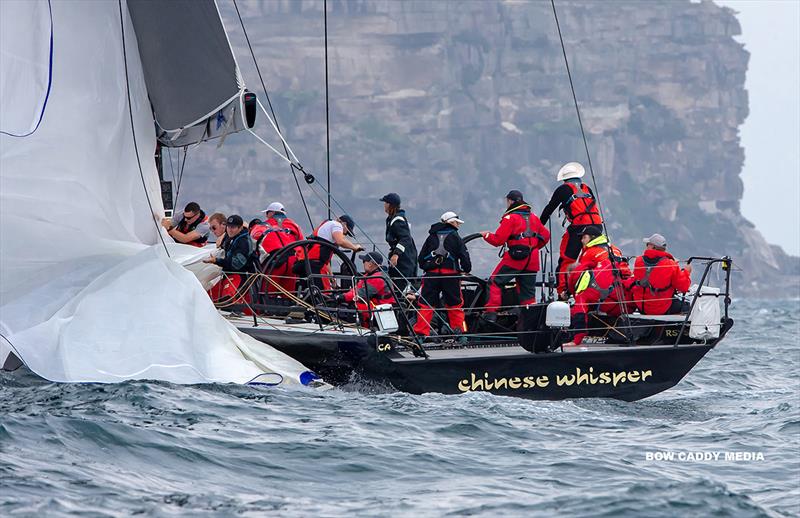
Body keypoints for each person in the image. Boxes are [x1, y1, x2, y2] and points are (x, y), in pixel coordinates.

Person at [480, 190, 550, 322]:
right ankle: (530, 320)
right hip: (533, 259)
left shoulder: (510, 218)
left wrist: (486, 235)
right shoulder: (534, 217)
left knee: (495, 282)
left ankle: (491, 315)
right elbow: (546, 236)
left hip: (515, 258)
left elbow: (498, 240)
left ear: (510, 201)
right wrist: (534, 248)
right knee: (528, 292)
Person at [539, 162, 603, 297]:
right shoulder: (587, 189)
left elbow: (549, 209)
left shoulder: (563, 189)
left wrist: (539, 226)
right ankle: (592, 291)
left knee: (566, 260)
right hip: (597, 227)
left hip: (579, 228)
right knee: (590, 259)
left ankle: (563, 293)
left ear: (565, 179)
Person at [563, 227, 632, 346]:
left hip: (604, 297)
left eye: (584, 237)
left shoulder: (590, 252)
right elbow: (625, 272)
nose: (582, 241)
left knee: (580, 300)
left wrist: (569, 292)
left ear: (592, 238)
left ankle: (576, 338)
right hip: (621, 296)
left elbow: (577, 274)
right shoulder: (614, 249)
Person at [413, 211, 472, 342]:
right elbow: (464, 256)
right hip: (450, 276)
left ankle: (421, 335)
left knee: (426, 305)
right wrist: (466, 269)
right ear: (451, 222)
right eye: (457, 222)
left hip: (431, 276)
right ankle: (460, 334)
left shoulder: (431, 237)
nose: (458, 225)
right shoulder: (455, 237)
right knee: (455, 304)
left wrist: (428, 266)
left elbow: (421, 259)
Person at [294, 214, 362, 292]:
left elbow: (326, 262)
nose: (345, 234)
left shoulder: (327, 232)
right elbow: (340, 241)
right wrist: (354, 247)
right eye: (346, 232)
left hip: (306, 264)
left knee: (309, 293)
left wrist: (331, 278)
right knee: (325, 293)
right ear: (344, 224)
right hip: (315, 265)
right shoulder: (336, 225)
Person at [630, 233, 692, 315]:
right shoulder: (670, 264)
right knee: (688, 306)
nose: (646, 246)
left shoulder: (639, 261)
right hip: (660, 308)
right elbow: (684, 287)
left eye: (648, 244)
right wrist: (686, 272)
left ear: (653, 247)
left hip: (641, 306)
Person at [255, 202, 305, 294]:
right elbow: (302, 244)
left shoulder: (262, 226)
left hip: (274, 262)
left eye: (267, 213)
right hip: (292, 263)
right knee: (289, 296)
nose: (266, 216)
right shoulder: (295, 225)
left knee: (267, 294)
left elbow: (253, 240)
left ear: (272, 213)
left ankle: (266, 308)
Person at [204, 215, 254, 303]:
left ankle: (236, 310)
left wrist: (216, 261)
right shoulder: (231, 236)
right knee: (205, 296)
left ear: (240, 228)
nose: (230, 229)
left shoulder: (244, 242)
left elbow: (235, 265)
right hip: (228, 275)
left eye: (233, 227)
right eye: (228, 226)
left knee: (227, 299)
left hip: (240, 276)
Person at [339, 251, 396, 328]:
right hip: (374, 305)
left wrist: (342, 297)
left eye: (364, 261)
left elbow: (360, 294)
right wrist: (343, 295)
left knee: (355, 306)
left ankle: (363, 328)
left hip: (381, 309)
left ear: (370, 263)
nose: (363, 264)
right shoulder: (369, 275)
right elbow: (356, 289)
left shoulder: (378, 278)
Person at [381, 193, 418, 290]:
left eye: (385, 203)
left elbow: (405, 238)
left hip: (404, 258)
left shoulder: (398, 220)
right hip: (401, 257)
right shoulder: (391, 219)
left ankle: (401, 301)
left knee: (400, 283)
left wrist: (396, 254)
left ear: (389, 205)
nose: (384, 205)